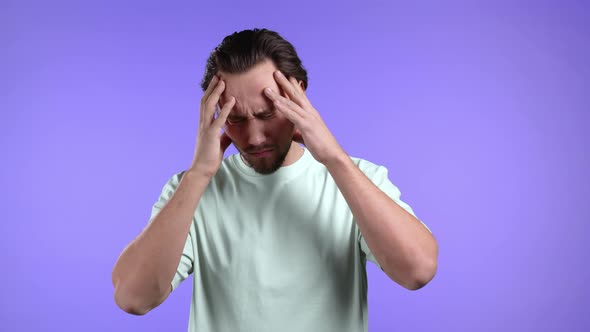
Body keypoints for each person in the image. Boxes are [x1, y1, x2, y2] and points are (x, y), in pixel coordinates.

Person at [111, 28, 438, 332]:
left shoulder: (357, 179)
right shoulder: (192, 191)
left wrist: (334, 159)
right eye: (234, 119)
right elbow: (133, 298)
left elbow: (417, 272)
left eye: (267, 114)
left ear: (298, 95)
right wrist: (198, 174)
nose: (253, 137)